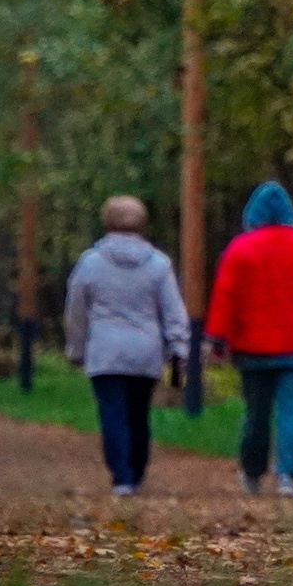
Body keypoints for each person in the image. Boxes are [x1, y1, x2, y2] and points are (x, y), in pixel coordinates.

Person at [205, 182, 293, 498]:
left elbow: (226, 297)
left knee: (256, 411)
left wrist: (218, 338)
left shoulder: (240, 249)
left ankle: (252, 473)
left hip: (253, 346)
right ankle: (287, 476)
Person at [63, 195, 190, 497]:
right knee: (138, 412)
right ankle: (137, 469)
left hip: (105, 350)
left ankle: (121, 476)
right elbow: (172, 309)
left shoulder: (90, 263)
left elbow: (76, 309)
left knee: (112, 412)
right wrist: (178, 346)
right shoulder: (159, 265)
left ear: (107, 222)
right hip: (145, 351)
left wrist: (76, 348)